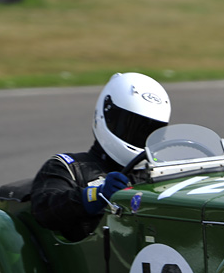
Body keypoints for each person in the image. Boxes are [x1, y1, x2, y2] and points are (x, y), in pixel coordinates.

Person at [31, 72, 171, 241]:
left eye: (149, 131)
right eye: (131, 126)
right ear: (107, 115)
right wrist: (96, 196)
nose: (140, 136)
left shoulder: (159, 173)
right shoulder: (67, 167)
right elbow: (44, 210)